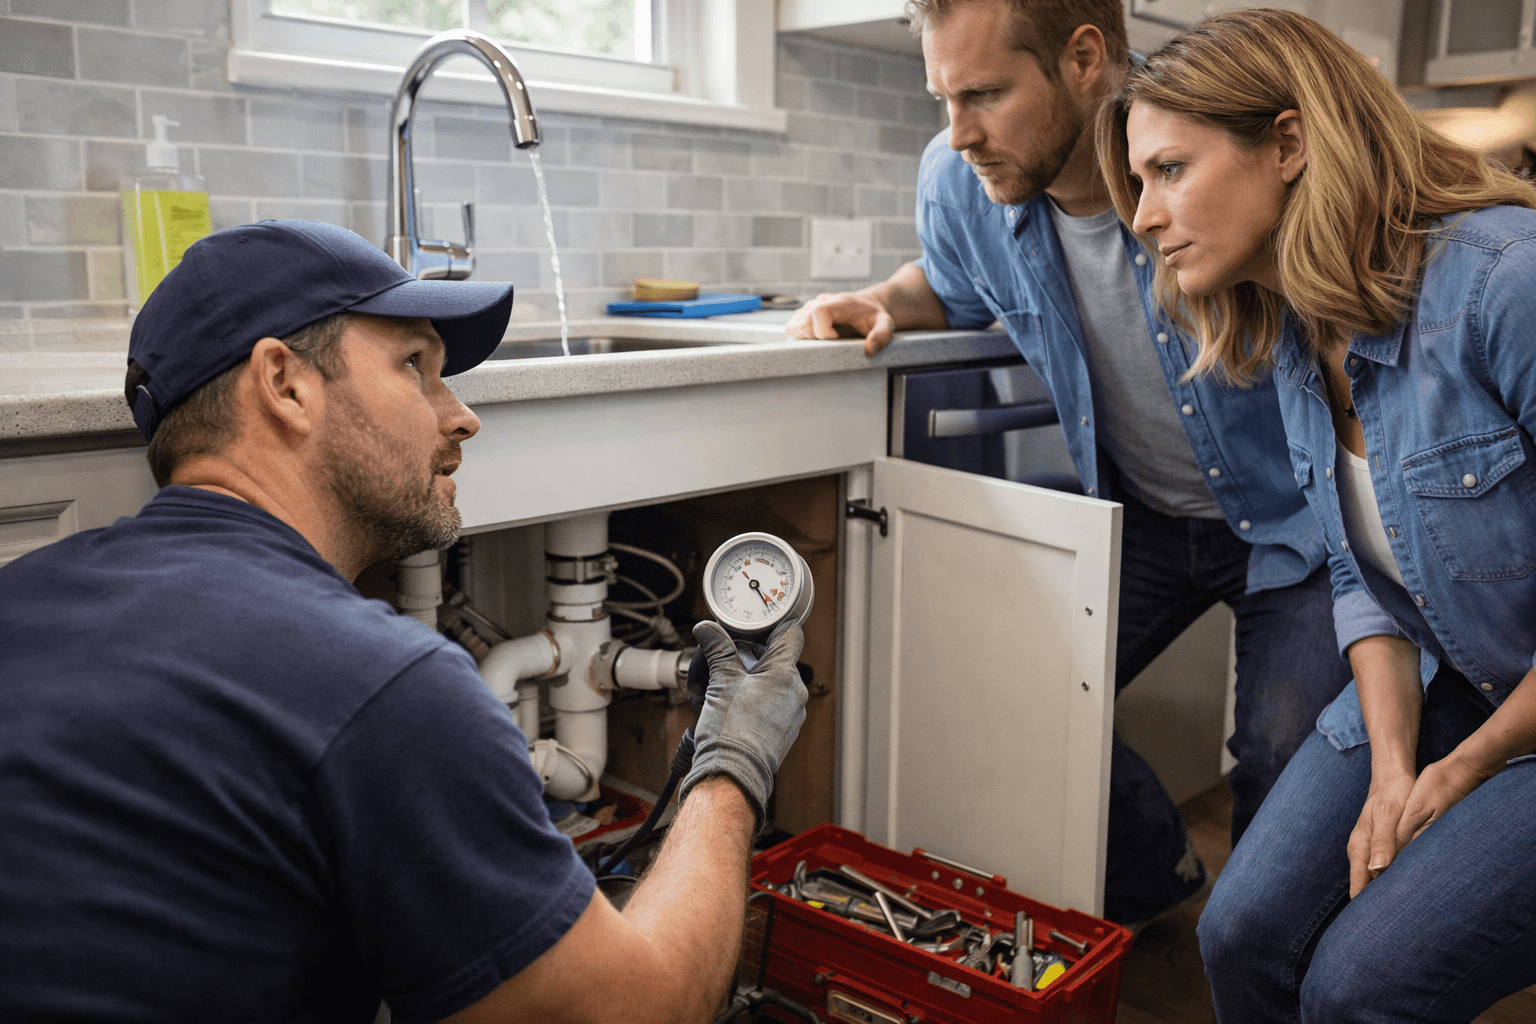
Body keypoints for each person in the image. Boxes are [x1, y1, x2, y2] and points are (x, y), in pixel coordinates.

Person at [0, 220, 809, 1023]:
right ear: (284, 383)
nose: (460, 416)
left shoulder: (22, 595)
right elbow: (639, 1015)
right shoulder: (379, 686)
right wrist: (734, 757)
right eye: (415, 366)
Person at [786, 0, 1350, 926]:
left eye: (985, 94)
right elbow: (952, 278)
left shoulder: (1209, 161)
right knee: (1002, 691)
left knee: (1284, 761)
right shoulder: (959, 179)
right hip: (1141, 519)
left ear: (1087, 58)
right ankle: (1155, 873)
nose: (959, 133)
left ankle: (1259, 957)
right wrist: (881, 296)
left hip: (1295, 525)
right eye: (943, 99)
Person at [1098, 8, 1536, 1020]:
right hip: (1450, 678)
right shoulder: (1298, 336)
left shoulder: (1505, 283)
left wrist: (1464, 765)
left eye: (1169, 170)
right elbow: (1364, 580)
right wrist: (1393, 767)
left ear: (1289, 144)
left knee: (1359, 984)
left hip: (1511, 713)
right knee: (1238, 932)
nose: (1143, 218)